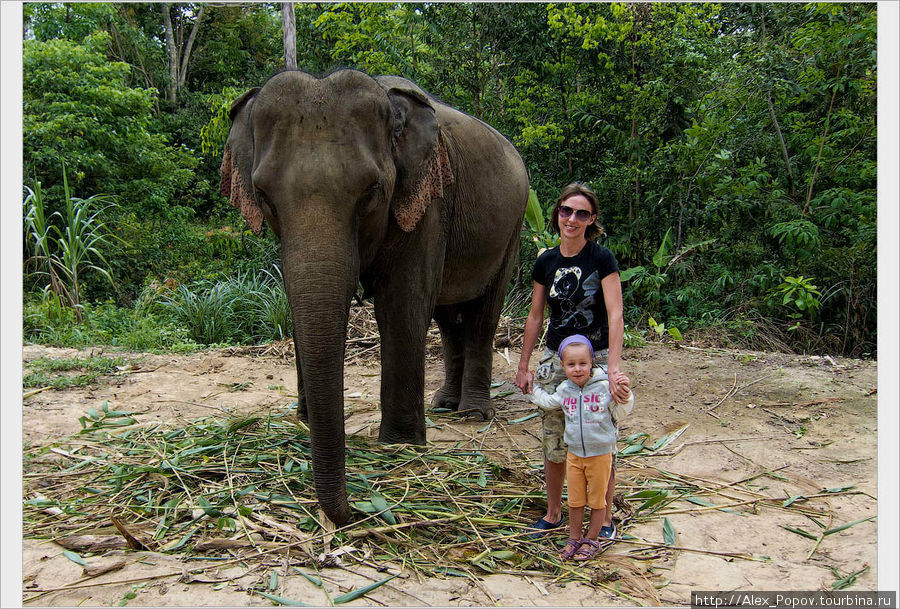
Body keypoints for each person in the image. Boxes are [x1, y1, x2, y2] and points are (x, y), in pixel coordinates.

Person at [514, 182, 631, 542]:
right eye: (567, 211)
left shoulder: (601, 259)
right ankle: (553, 513)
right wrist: (524, 364)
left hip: (592, 360)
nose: (573, 219)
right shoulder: (546, 261)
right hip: (555, 361)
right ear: (557, 213)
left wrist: (612, 368)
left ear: (591, 219)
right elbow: (535, 316)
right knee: (554, 440)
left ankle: (604, 517)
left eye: (582, 213)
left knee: (598, 440)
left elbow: (615, 315)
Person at [531, 335, 634, 560]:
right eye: (571, 364)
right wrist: (533, 388)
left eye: (582, 364)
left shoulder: (605, 386)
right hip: (574, 455)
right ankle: (574, 538)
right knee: (576, 501)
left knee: (597, 501)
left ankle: (592, 540)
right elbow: (548, 403)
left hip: (600, 455)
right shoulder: (565, 389)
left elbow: (620, 413)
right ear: (562, 366)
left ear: (591, 364)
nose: (577, 369)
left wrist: (626, 396)